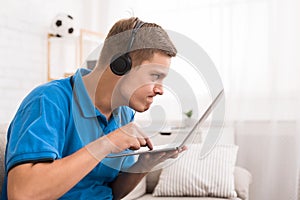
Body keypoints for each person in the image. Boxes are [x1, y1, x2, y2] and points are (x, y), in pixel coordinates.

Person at [2, 17, 185, 200]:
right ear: (120, 65)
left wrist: (144, 165)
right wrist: (106, 143)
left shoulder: (124, 113)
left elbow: (110, 192)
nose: (160, 89)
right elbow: (22, 193)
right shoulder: (48, 101)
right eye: (154, 76)